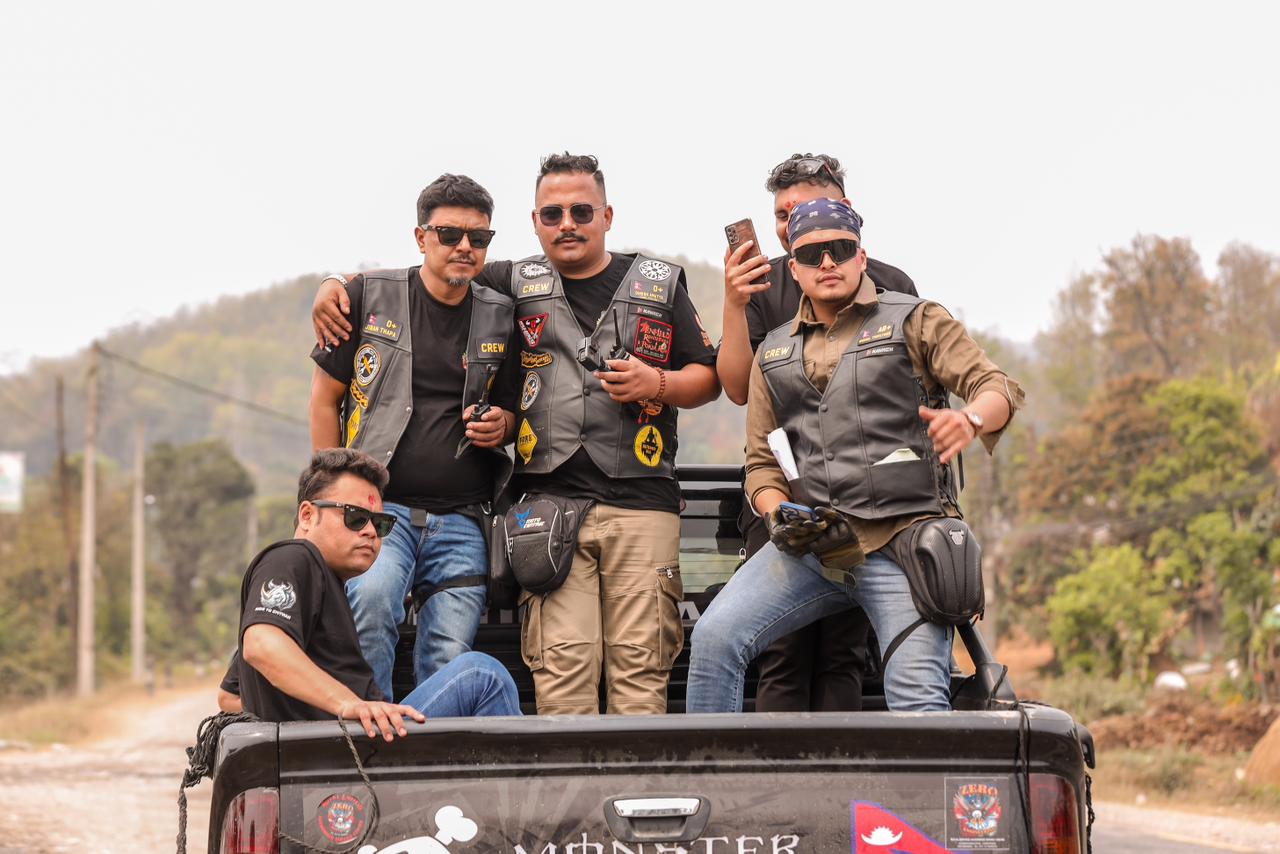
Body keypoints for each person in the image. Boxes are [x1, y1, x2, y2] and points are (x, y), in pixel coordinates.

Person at [311, 154, 720, 715]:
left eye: (582, 211)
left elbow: (711, 379)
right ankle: (375, 741)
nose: (567, 223)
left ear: (607, 215)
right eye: (553, 214)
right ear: (535, 222)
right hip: (545, 510)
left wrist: (658, 382)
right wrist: (335, 283)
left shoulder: (658, 282)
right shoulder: (511, 279)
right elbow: (424, 274)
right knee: (561, 680)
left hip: (639, 502)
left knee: (641, 672)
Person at [686, 198, 1023, 714]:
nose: (827, 262)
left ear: (861, 257)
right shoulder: (772, 351)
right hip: (815, 550)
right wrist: (777, 513)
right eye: (812, 254)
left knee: (918, 701)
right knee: (713, 641)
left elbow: (996, 387)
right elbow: (760, 463)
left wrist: (971, 420)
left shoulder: (917, 319)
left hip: (903, 545)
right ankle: (706, 767)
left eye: (840, 250)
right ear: (793, 268)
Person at [718, 153, 918, 713]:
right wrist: (734, 303)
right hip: (781, 494)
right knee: (782, 651)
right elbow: (735, 387)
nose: (792, 226)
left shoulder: (891, 284)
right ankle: (775, 774)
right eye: (782, 215)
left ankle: (836, 771)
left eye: (805, 209)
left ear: (846, 211)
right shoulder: (762, 284)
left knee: (842, 652)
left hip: (865, 503)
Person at [308, 173, 515, 703]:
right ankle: (368, 734)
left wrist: (504, 424)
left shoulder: (502, 312)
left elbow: (517, 407)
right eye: (449, 234)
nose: (464, 246)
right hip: (380, 511)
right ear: (421, 237)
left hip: (464, 517)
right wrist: (331, 498)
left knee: (449, 653)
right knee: (371, 608)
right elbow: (325, 400)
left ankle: (430, 751)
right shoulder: (366, 297)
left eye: (479, 237)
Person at [220, 449, 520, 739]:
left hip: (357, 737)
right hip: (350, 746)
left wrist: (307, 709)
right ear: (308, 515)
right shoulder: (293, 558)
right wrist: (345, 705)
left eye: (380, 523)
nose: (370, 532)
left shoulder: (325, 586)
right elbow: (261, 645)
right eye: (355, 517)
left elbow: (230, 696)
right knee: (482, 675)